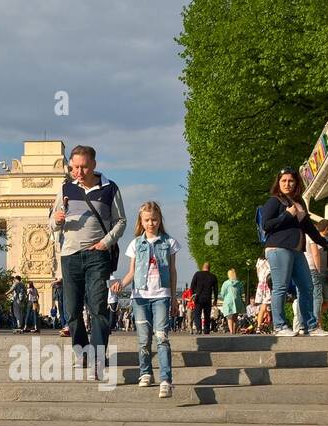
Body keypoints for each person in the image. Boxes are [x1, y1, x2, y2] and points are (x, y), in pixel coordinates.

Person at [51, 145, 127, 378]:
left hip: (97, 254)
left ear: (93, 164)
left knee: (98, 308)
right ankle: (80, 351)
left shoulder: (109, 188)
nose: (79, 172)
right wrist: (57, 220)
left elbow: (121, 220)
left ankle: (97, 357)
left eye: (83, 167)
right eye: (75, 167)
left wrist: (106, 242)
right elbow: (52, 224)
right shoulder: (65, 188)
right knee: (72, 310)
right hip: (70, 255)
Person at [260, 168, 328, 337]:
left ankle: (311, 326)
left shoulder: (300, 203)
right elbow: (266, 225)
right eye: (283, 180)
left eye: (290, 181)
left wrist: (327, 244)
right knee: (281, 287)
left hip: (297, 250)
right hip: (278, 248)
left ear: (296, 183)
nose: (287, 184)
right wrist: (286, 215)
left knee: (307, 287)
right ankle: (279, 326)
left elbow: (309, 229)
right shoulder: (274, 201)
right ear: (278, 183)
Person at [113, 200, 178, 398]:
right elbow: (132, 271)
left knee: (162, 337)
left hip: (161, 295)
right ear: (141, 221)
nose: (151, 223)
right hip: (140, 297)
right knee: (143, 340)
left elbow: (173, 272)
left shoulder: (169, 243)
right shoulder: (135, 244)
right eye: (147, 220)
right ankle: (145, 372)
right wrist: (121, 284)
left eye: (155, 220)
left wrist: (174, 297)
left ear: (160, 220)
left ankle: (166, 379)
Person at [305, 219, 328, 336]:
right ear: (326, 229)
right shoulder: (314, 238)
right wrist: (318, 270)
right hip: (318, 271)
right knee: (317, 299)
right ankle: (317, 324)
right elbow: (314, 254)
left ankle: (313, 319)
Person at [189, 262, 215, 335]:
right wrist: (215, 299)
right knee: (207, 315)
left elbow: (192, 285)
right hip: (208, 298)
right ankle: (206, 330)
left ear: (202, 267)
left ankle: (199, 329)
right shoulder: (213, 276)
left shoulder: (197, 274)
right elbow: (215, 289)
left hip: (198, 297)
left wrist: (193, 295)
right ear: (209, 268)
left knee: (197, 314)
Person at [219, 268, 244, 334]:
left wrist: (224, 297)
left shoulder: (226, 283)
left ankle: (231, 331)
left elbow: (222, 293)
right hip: (237, 300)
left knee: (229, 317)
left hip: (228, 300)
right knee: (235, 317)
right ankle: (234, 331)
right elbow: (242, 292)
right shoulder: (239, 283)